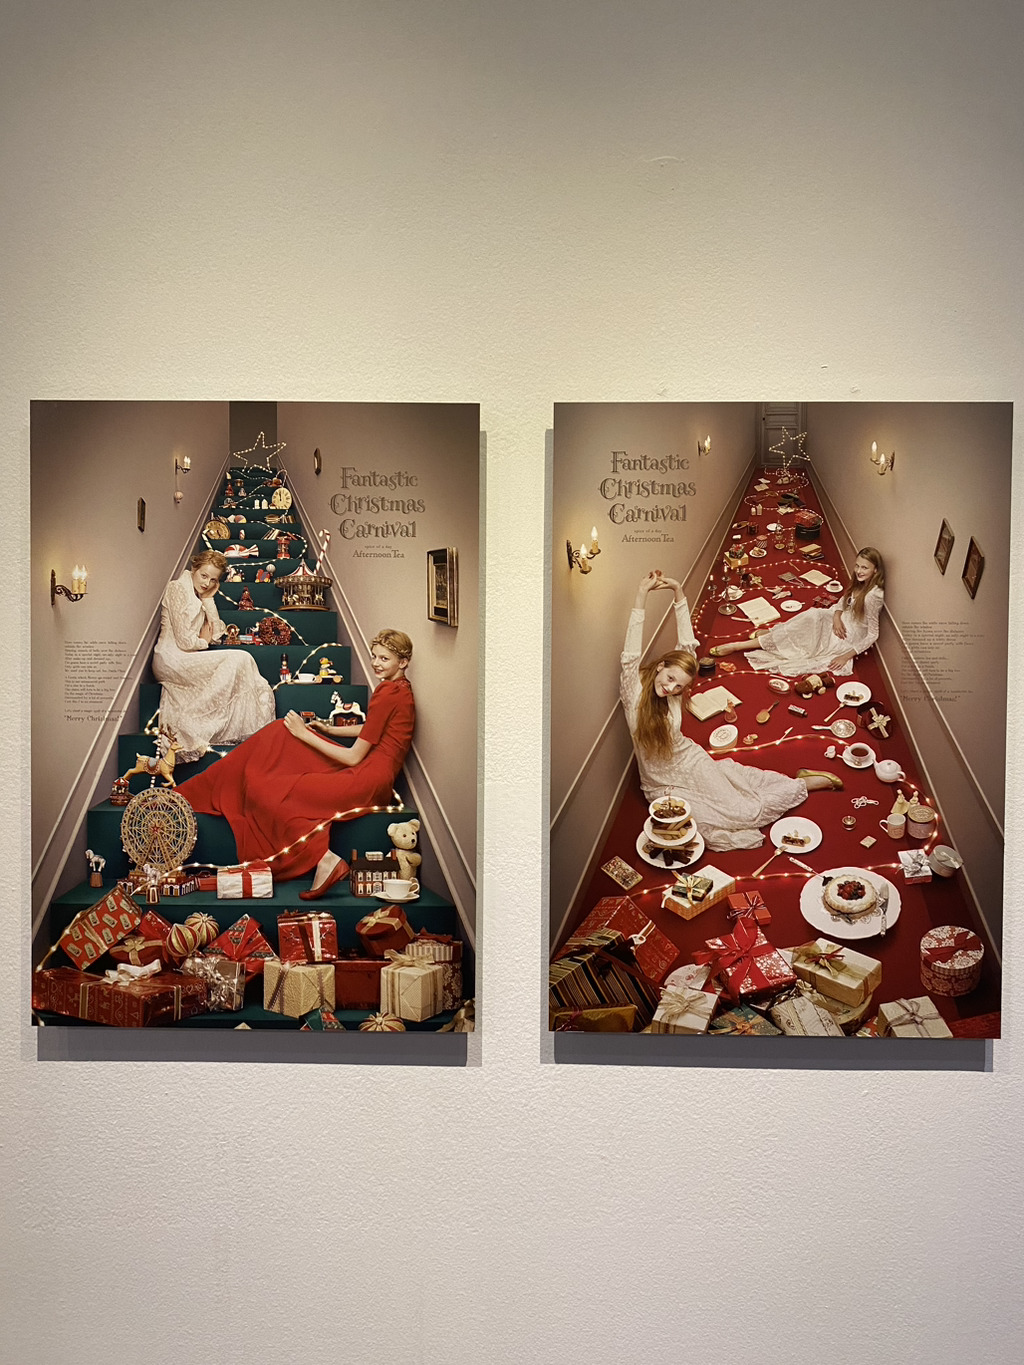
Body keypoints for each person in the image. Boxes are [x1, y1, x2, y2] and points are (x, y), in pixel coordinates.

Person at [177, 629, 416, 895]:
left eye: (384, 659)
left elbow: (353, 756)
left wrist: (304, 733)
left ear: (403, 662)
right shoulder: (402, 690)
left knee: (270, 789)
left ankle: (324, 859)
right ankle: (323, 858)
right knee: (279, 737)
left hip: (364, 778)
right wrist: (329, 729)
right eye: (374, 657)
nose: (375, 664)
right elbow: (374, 728)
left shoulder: (387, 691)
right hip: (377, 779)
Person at [622, 572, 841, 852]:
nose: (671, 688)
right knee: (710, 824)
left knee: (746, 813)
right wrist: (641, 595)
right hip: (660, 785)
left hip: (691, 761)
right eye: (670, 679)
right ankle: (792, 783)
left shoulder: (674, 694)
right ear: (661, 666)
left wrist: (678, 592)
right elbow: (630, 657)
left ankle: (803, 784)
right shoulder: (633, 694)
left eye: (679, 686)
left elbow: (688, 645)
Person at [152, 550, 275, 761]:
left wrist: (208, 599)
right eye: (203, 575)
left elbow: (217, 633)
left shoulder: (199, 594)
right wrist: (203, 641)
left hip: (188, 656)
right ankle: (190, 723)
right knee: (238, 658)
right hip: (171, 658)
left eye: (213, 580)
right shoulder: (177, 588)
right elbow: (184, 641)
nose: (207, 583)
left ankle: (204, 721)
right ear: (194, 569)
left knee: (243, 658)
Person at [710, 548, 885, 676]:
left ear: (875, 570)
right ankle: (773, 635)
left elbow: (873, 634)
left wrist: (845, 656)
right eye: (857, 566)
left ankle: (738, 645)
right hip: (838, 619)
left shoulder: (873, 596)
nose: (859, 571)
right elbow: (842, 602)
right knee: (812, 615)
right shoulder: (859, 582)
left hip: (847, 635)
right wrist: (837, 617)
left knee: (806, 637)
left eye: (864, 568)